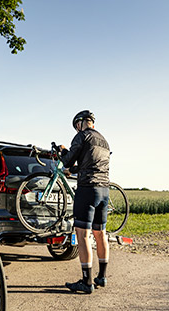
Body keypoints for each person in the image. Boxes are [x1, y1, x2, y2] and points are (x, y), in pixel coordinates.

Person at [59, 110, 110, 294]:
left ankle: (87, 282)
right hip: (104, 190)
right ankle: (102, 277)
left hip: (88, 189)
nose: (76, 130)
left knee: (82, 234)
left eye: (76, 126)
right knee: (100, 233)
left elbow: (67, 160)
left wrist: (62, 151)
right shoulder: (103, 140)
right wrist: (73, 170)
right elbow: (88, 163)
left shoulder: (81, 136)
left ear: (80, 123)